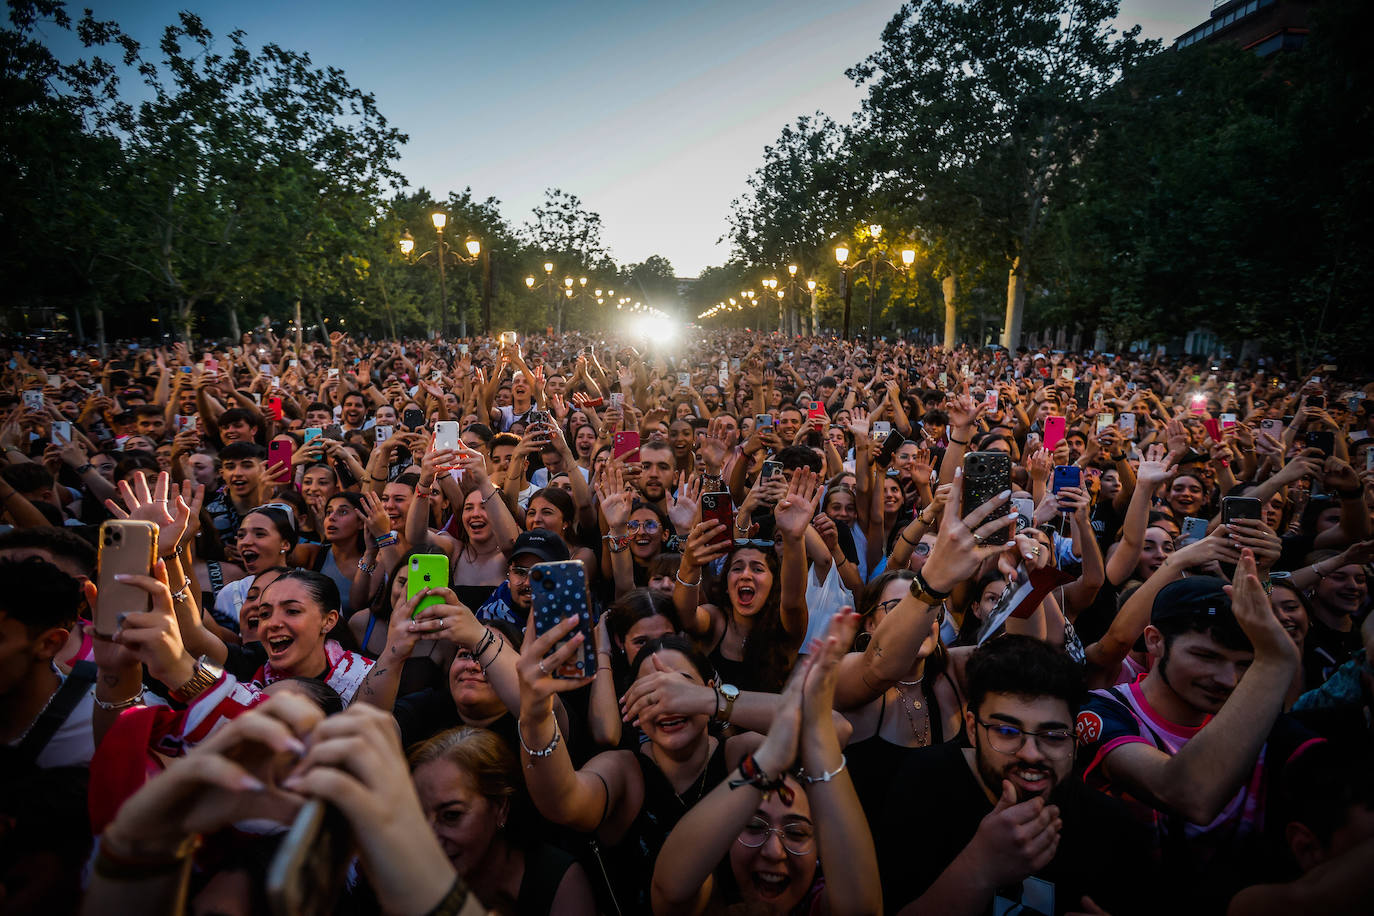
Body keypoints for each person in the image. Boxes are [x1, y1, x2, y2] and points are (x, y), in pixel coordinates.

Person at [1075, 553, 1307, 909]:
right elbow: (1186, 794)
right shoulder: (1104, 713)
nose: (1227, 680)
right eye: (1206, 657)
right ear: (1154, 641)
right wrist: (1275, 662)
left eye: (1247, 664)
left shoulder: (1262, 722)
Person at [875, 635, 1155, 915]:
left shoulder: (1111, 826)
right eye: (1007, 732)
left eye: (1053, 735)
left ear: (1076, 740)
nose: (1031, 754)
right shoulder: (925, 785)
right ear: (972, 729)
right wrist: (979, 866)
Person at [408, 726, 597, 914]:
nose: (430, 838)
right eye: (419, 816)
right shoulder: (408, 881)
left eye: (451, 816)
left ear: (500, 807)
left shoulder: (555, 881)